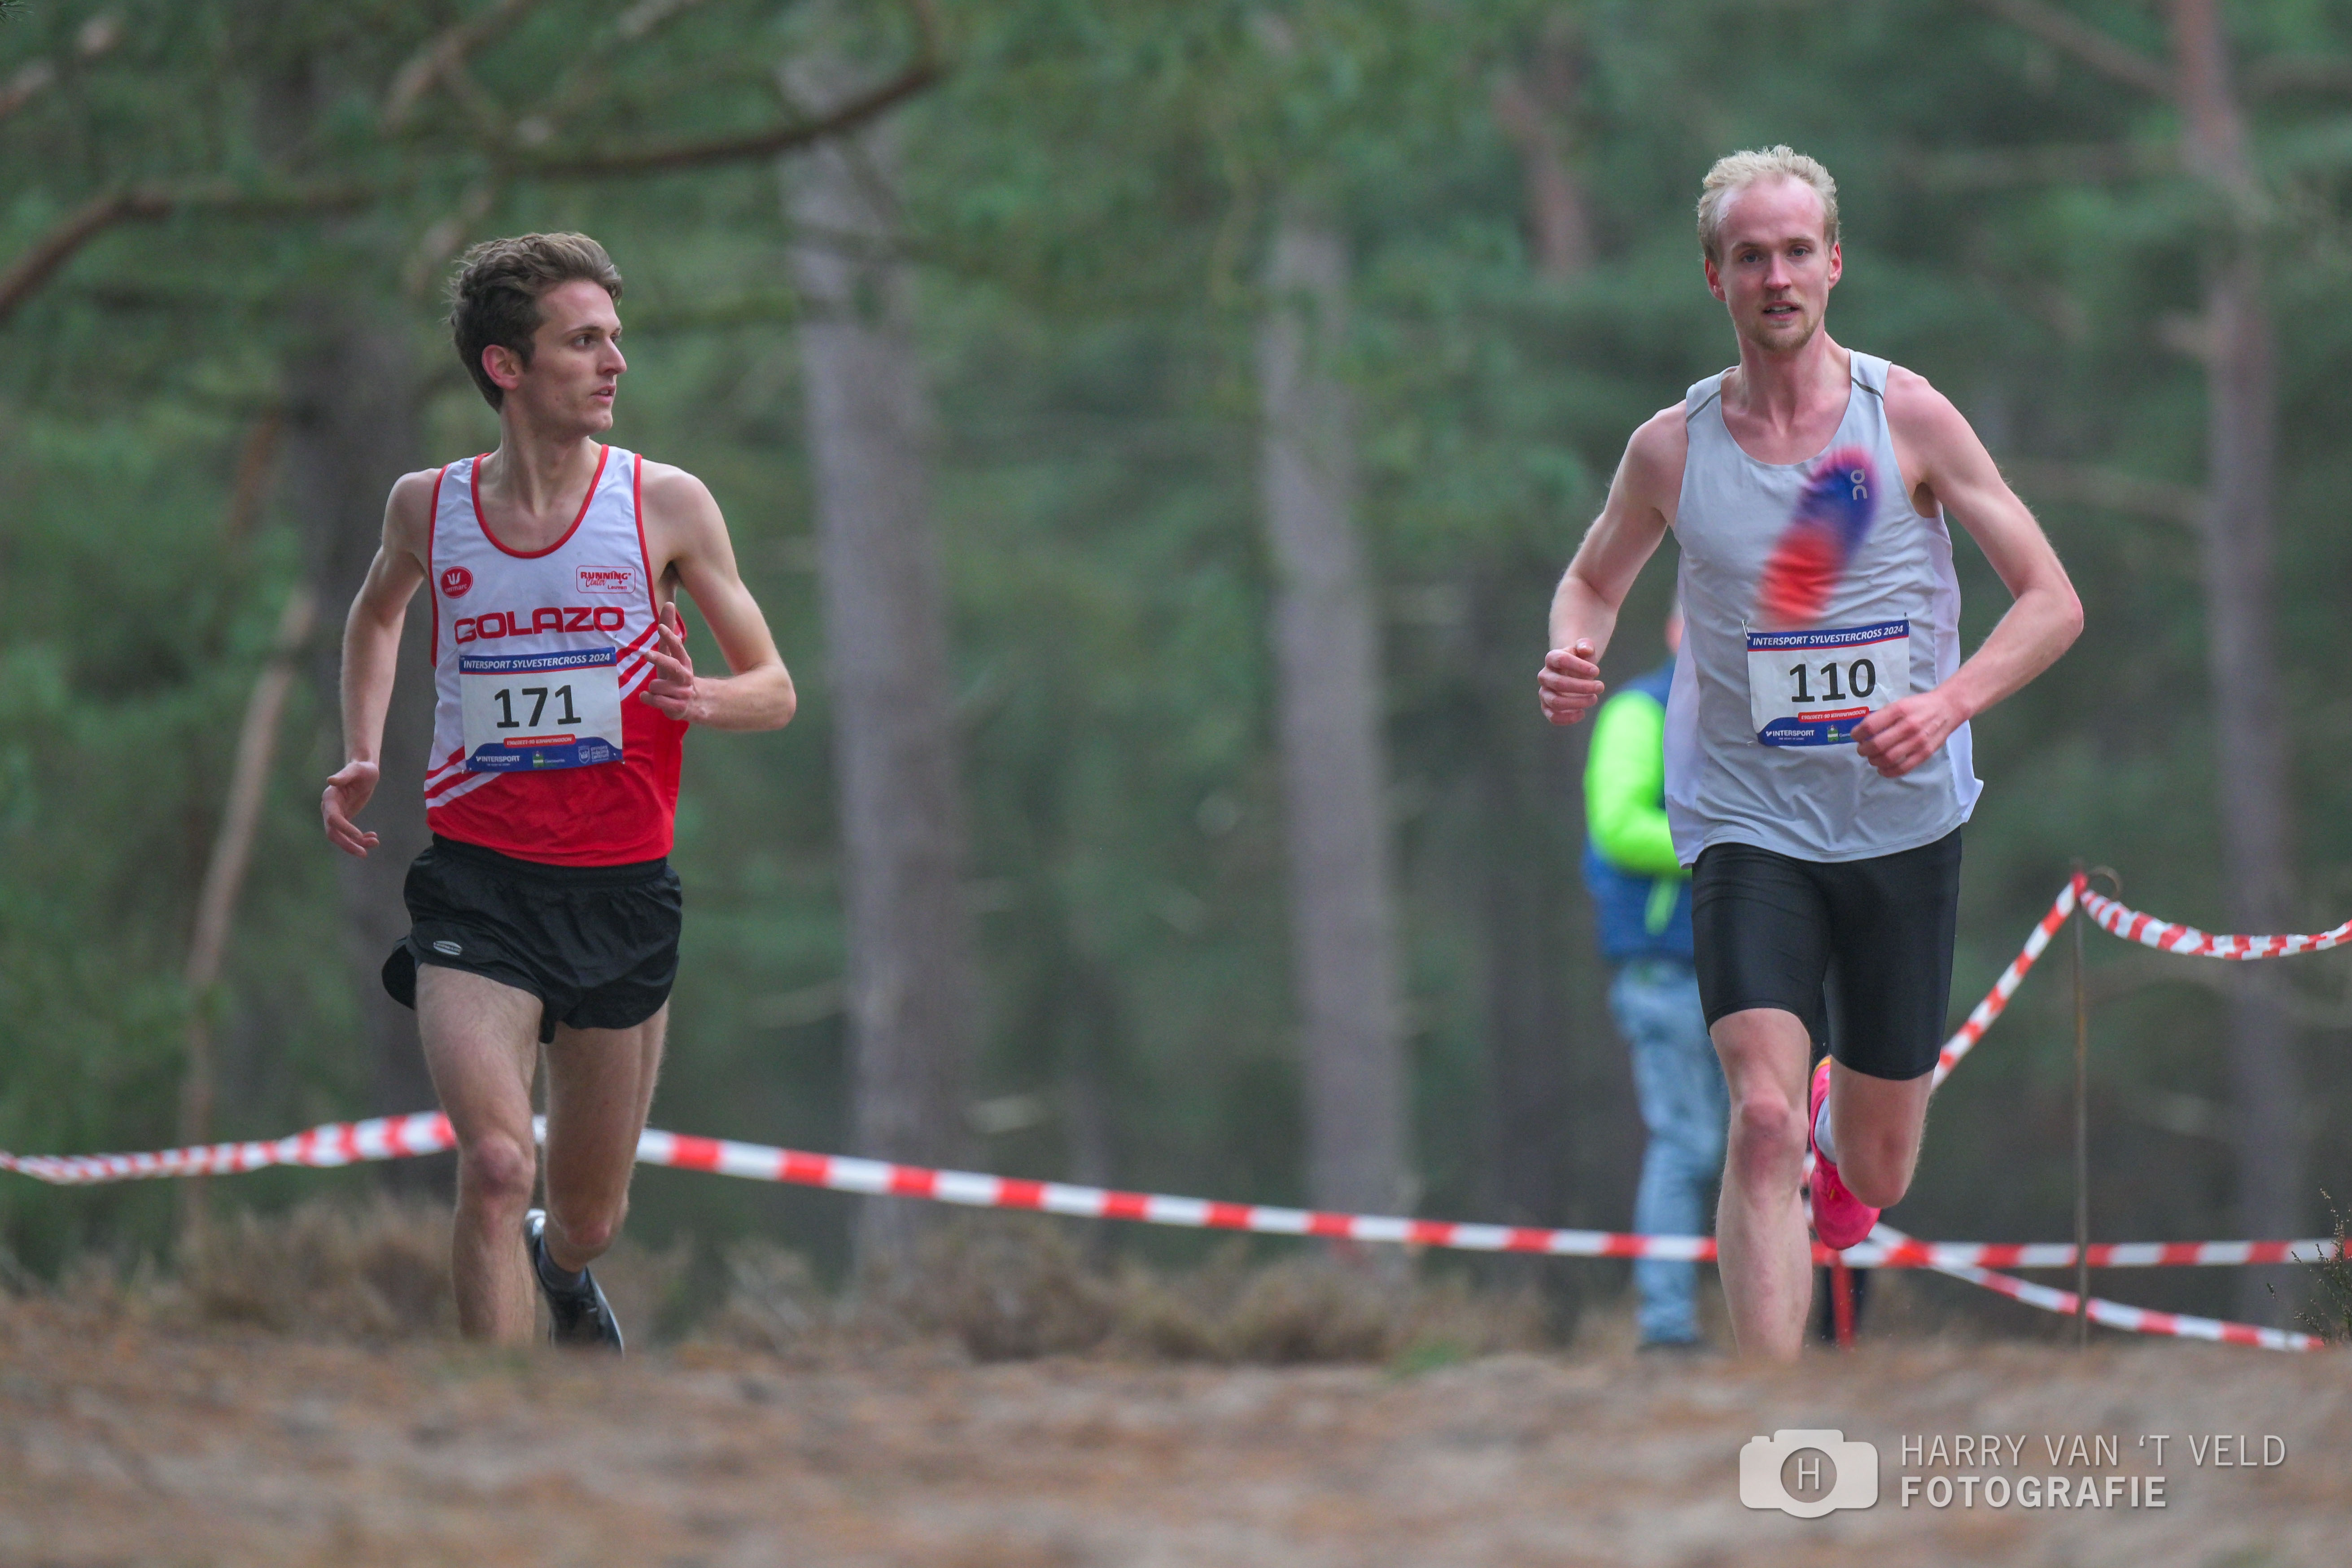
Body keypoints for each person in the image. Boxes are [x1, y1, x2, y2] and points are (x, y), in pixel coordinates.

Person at [1537, 148, 2081, 1360]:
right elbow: (1591, 581)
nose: (1775, 276)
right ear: (1714, 278)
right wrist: (1573, 650)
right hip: (1746, 822)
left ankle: (1847, 1141)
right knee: (1761, 1119)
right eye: (1750, 257)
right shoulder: (1672, 449)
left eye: (1795, 252)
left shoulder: (1910, 418)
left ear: (1834, 263)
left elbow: (2051, 600)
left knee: (1876, 1171)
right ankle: (1770, 1416)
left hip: (1900, 823)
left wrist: (1946, 705)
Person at [322, 233, 796, 1350]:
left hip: (618, 891)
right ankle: (500, 1419)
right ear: (506, 365)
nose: (614, 362)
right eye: (584, 341)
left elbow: (775, 688)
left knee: (588, 1217)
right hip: (478, 888)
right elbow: (378, 613)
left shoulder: (665, 503)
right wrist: (362, 749)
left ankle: (563, 1266)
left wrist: (700, 698)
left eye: (614, 339)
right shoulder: (427, 507)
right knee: (495, 1164)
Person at [1582, 605, 1727, 1352]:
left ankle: (1770, 1333)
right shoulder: (1638, 712)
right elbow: (1617, 825)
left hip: (1742, 968)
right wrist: (1727, 844)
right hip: (1664, 972)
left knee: (1758, 1146)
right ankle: (1666, 1328)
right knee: (1687, 1143)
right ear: (1676, 630)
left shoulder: (1756, 716)